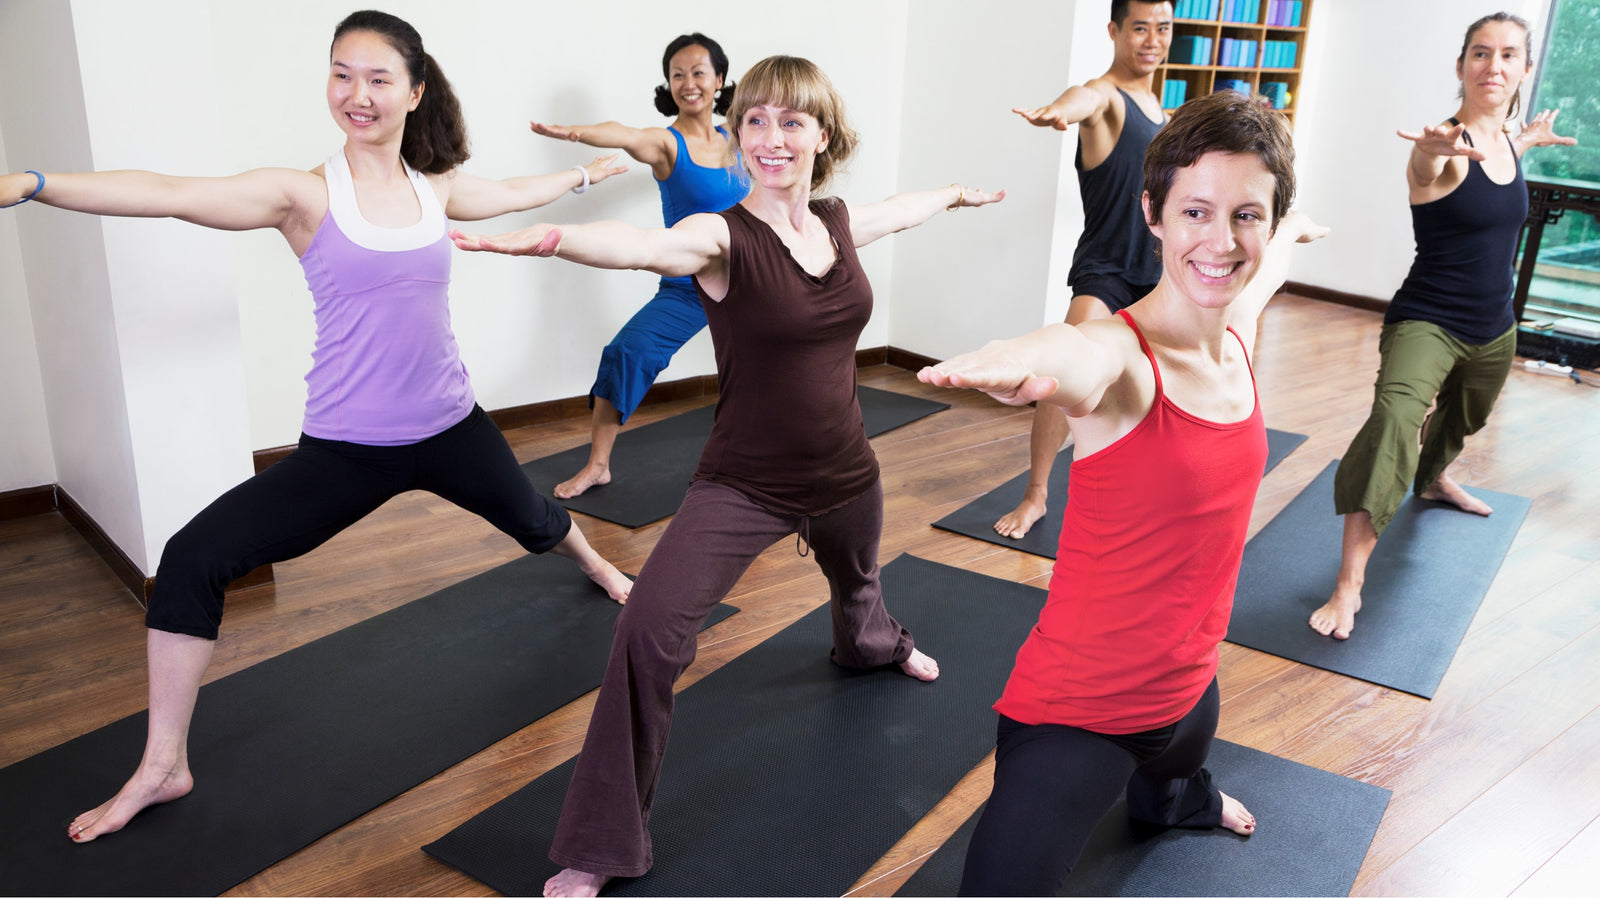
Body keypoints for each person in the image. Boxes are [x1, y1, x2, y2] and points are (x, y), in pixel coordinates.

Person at [0, 9, 633, 843]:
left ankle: (595, 564)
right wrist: (37, 184)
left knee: (532, 516)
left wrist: (585, 175)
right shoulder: (302, 193)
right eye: (342, 73)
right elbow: (169, 194)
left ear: (414, 91)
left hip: (449, 423)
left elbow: (514, 192)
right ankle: (163, 765)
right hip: (347, 449)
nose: (356, 93)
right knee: (194, 557)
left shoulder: (434, 186)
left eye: (377, 78)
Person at [451, 54, 1002, 897]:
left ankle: (874, 647)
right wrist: (550, 239)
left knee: (860, 586)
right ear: (738, 138)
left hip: (849, 465)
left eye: (791, 122)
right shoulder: (721, 234)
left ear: (823, 134)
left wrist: (957, 196)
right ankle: (602, 841)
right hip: (745, 480)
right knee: (647, 634)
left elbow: (898, 211)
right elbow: (642, 245)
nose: (771, 138)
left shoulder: (836, 222)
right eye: (755, 121)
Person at [918, 91, 1324, 895]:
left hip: (1192, 692)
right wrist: (1011, 359)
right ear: (1154, 214)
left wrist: (1291, 236)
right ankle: (1169, 790)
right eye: (1196, 212)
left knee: (1172, 782)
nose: (1220, 240)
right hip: (1079, 715)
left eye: (1248, 215)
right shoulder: (1122, 357)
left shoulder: (1236, 328)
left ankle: (1180, 799)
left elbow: (1263, 270)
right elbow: (1075, 352)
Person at [1309, 11, 1575, 640]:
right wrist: (1425, 156)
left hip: (1494, 324)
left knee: (1463, 418)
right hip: (1428, 319)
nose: (1495, 66)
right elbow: (1429, 174)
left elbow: (1504, 157)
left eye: (1510, 55)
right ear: (1461, 66)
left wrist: (1530, 138)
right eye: (1481, 54)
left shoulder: (1508, 142)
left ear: (1525, 71)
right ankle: (1349, 584)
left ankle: (1432, 480)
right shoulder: (1446, 146)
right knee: (1395, 421)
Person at [528, 33, 750, 499]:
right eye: (677, 75)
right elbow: (624, 134)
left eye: (698, 73)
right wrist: (574, 134)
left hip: (752, 278)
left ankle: (770, 459)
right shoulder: (666, 144)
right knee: (627, 352)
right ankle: (597, 465)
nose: (688, 83)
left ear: (720, 80)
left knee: (777, 360)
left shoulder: (740, 134)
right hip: (690, 284)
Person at [996, 0, 1173, 540]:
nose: (1151, 40)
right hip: (1107, 271)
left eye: (1162, 28)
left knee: (1158, 390)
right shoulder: (1109, 99)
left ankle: (1144, 497)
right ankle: (1036, 495)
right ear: (1114, 31)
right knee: (1059, 375)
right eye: (1139, 28)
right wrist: (1059, 108)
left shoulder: (1161, 112)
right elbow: (1085, 99)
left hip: (1158, 273)